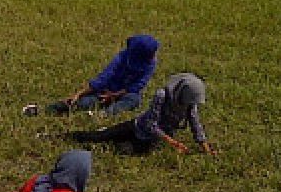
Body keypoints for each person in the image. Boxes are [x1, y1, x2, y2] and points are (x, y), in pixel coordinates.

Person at [70, 72, 216, 155]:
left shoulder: (190, 105)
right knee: (98, 136)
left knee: (123, 150)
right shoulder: (162, 95)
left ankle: (105, 148)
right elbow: (150, 124)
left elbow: (195, 124)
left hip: (151, 140)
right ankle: (66, 136)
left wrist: (206, 148)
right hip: (137, 126)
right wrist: (172, 142)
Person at [27, 34, 159, 117]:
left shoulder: (150, 64)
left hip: (124, 94)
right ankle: (46, 109)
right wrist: (79, 94)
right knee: (83, 103)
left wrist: (114, 96)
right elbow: (103, 78)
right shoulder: (120, 58)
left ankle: (104, 114)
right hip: (104, 92)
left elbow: (137, 86)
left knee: (134, 100)